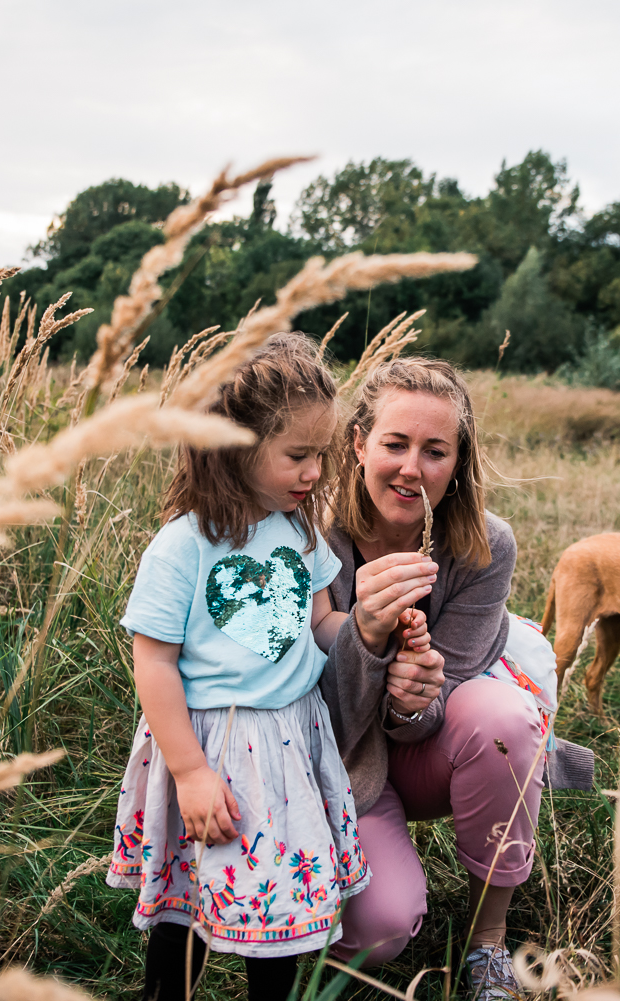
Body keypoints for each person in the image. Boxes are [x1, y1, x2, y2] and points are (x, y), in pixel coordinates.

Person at [106, 335, 415, 1001]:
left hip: (290, 744)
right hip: (210, 744)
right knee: (188, 897)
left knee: (279, 904)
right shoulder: (181, 546)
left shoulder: (298, 530)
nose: (313, 472)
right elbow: (154, 663)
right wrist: (189, 772)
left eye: (321, 456)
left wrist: (369, 627)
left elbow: (322, 624)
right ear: (236, 445)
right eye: (297, 455)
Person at [319, 359, 593, 1000]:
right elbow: (321, 709)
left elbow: (450, 692)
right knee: (379, 931)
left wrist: (416, 702)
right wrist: (364, 634)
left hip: (429, 752)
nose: (412, 467)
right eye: (394, 444)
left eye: (434, 451)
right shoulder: (312, 535)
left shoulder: (485, 546)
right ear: (360, 444)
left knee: (502, 721)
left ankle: (487, 942)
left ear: (457, 461)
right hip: (339, 759)